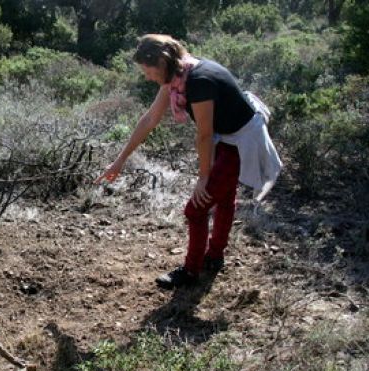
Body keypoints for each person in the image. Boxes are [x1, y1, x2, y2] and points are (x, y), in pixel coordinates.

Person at [95, 34, 282, 288]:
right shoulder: (177, 74)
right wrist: (119, 162)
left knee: (196, 208)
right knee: (224, 198)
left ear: (161, 62)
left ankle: (192, 271)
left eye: (148, 71)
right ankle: (214, 257)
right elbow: (149, 119)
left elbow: (204, 135)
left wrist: (203, 178)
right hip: (226, 136)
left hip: (241, 141)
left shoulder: (198, 81)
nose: (147, 77)